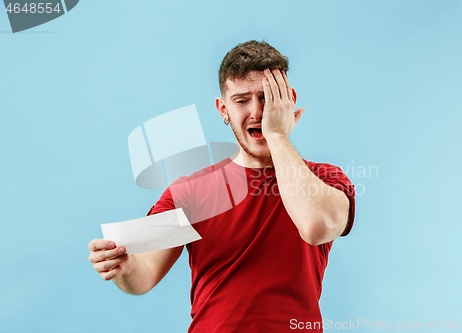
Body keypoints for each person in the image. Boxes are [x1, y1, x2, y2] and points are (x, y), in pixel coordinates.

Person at [88, 40, 355, 332]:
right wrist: (123, 269)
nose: (257, 112)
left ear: (288, 102)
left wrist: (278, 135)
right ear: (223, 109)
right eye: (242, 101)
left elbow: (316, 226)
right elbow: (145, 275)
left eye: (268, 98)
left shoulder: (325, 178)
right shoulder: (190, 191)